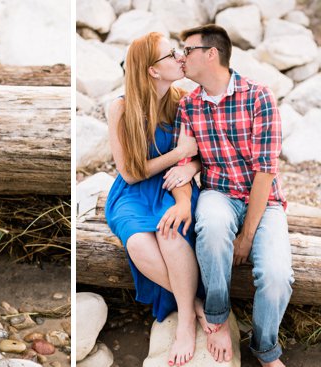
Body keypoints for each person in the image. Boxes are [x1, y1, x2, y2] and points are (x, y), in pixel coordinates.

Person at [177, 24, 293, 366]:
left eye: (187, 51)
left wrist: (246, 236)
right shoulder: (189, 106)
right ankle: (216, 316)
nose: (181, 58)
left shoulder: (259, 96)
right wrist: (191, 165)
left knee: (276, 278)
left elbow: (265, 170)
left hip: (265, 201)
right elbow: (188, 155)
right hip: (219, 194)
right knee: (211, 228)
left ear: (211, 54)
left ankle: (264, 348)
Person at [105, 32, 207, 366]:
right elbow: (131, 173)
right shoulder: (120, 109)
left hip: (171, 186)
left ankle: (186, 324)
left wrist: (190, 166)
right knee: (137, 244)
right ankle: (194, 305)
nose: (181, 57)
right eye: (171, 55)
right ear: (152, 70)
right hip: (132, 192)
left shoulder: (183, 101)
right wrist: (179, 152)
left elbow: (200, 156)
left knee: (171, 236)